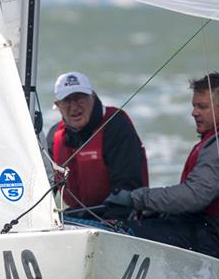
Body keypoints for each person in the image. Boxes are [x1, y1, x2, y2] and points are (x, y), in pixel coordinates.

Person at [105, 72, 219, 261]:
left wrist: (136, 198)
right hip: (201, 229)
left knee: (120, 233)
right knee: (124, 223)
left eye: (202, 106)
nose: (194, 112)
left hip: (214, 239)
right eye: (194, 106)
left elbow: (195, 196)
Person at [47, 71, 148, 217]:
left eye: (80, 98)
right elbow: (46, 186)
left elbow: (127, 189)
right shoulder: (55, 136)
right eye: (67, 100)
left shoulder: (116, 125)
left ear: (92, 97)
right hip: (78, 216)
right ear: (57, 105)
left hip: (121, 215)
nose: (74, 107)